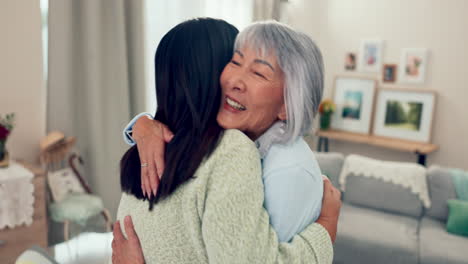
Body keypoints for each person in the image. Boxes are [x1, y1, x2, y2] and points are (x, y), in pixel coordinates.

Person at [112, 18, 341, 264]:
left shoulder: (143, 154)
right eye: (234, 62)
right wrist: (324, 231)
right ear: (212, 75)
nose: (234, 80)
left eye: (257, 72)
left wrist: (141, 124)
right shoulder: (230, 151)